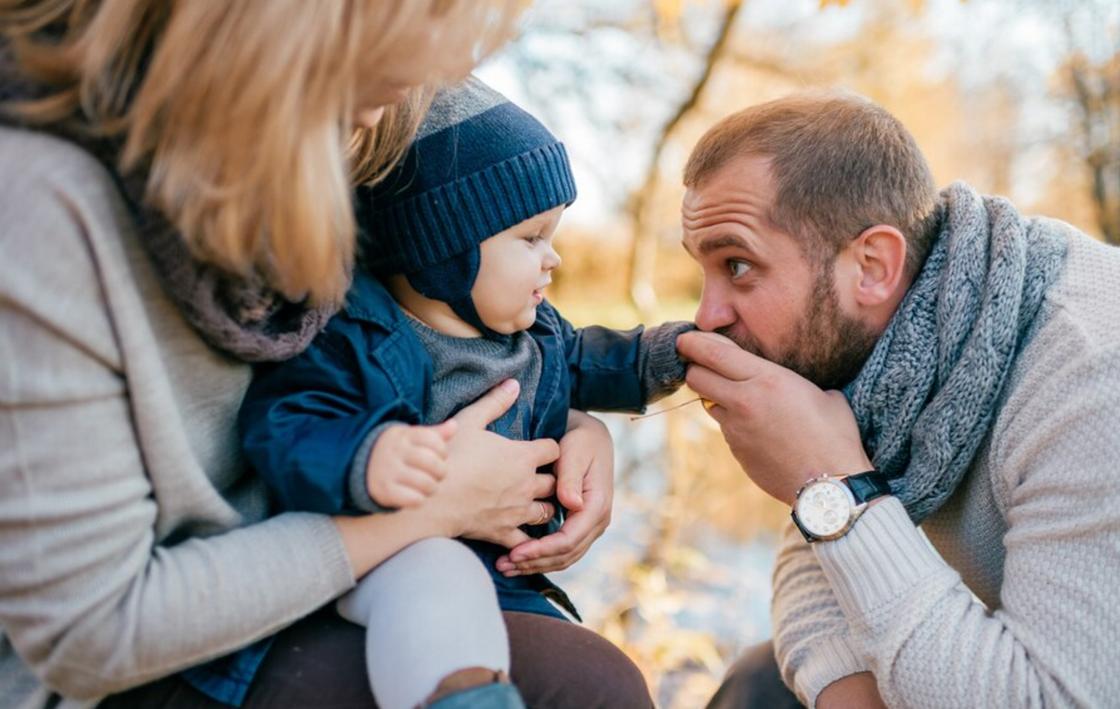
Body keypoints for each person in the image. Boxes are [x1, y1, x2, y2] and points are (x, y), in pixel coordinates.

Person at [0, 2, 651, 708]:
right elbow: (91, 636)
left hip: (306, 580)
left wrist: (570, 425)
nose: (436, 70)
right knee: (584, 689)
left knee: (590, 679)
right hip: (139, 662)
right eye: (414, 17)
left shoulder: (340, 136)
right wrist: (432, 508)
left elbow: (448, 336)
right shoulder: (40, 206)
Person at [239, 77, 690, 709]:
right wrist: (370, 455)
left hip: (504, 575)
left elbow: (596, 359)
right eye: (530, 239)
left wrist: (673, 355)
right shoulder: (355, 339)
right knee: (437, 584)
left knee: (580, 663)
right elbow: (286, 426)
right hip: (387, 560)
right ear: (440, 251)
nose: (553, 259)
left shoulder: (534, 334)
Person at [672, 91, 1120, 708]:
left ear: (874, 265)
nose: (706, 316)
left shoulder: (1091, 372)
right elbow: (813, 557)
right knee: (759, 686)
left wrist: (829, 482)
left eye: (739, 265)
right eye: (706, 271)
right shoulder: (881, 341)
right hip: (957, 660)